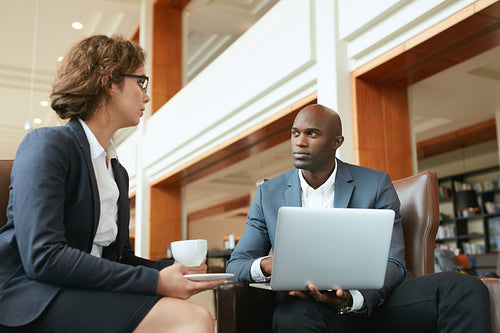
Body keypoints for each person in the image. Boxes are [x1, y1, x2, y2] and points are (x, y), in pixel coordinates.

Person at [0, 35, 226, 333]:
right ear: (109, 82)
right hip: (32, 297)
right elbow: (44, 258)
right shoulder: (48, 145)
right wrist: (157, 281)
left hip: (80, 292)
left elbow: (120, 259)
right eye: (141, 83)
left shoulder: (115, 170)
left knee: (190, 313)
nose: (147, 96)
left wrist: (172, 271)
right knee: (193, 318)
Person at [226, 104, 491, 332]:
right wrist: (268, 265)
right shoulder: (268, 194)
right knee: (292, 317)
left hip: (375, 302)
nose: (300, 141)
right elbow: (236, 265)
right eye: (295, 133)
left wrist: (354, 299)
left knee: (464, 287)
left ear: (336, 142)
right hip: (307, 306)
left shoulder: (375, 184)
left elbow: (394, 262)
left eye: (312, 134)